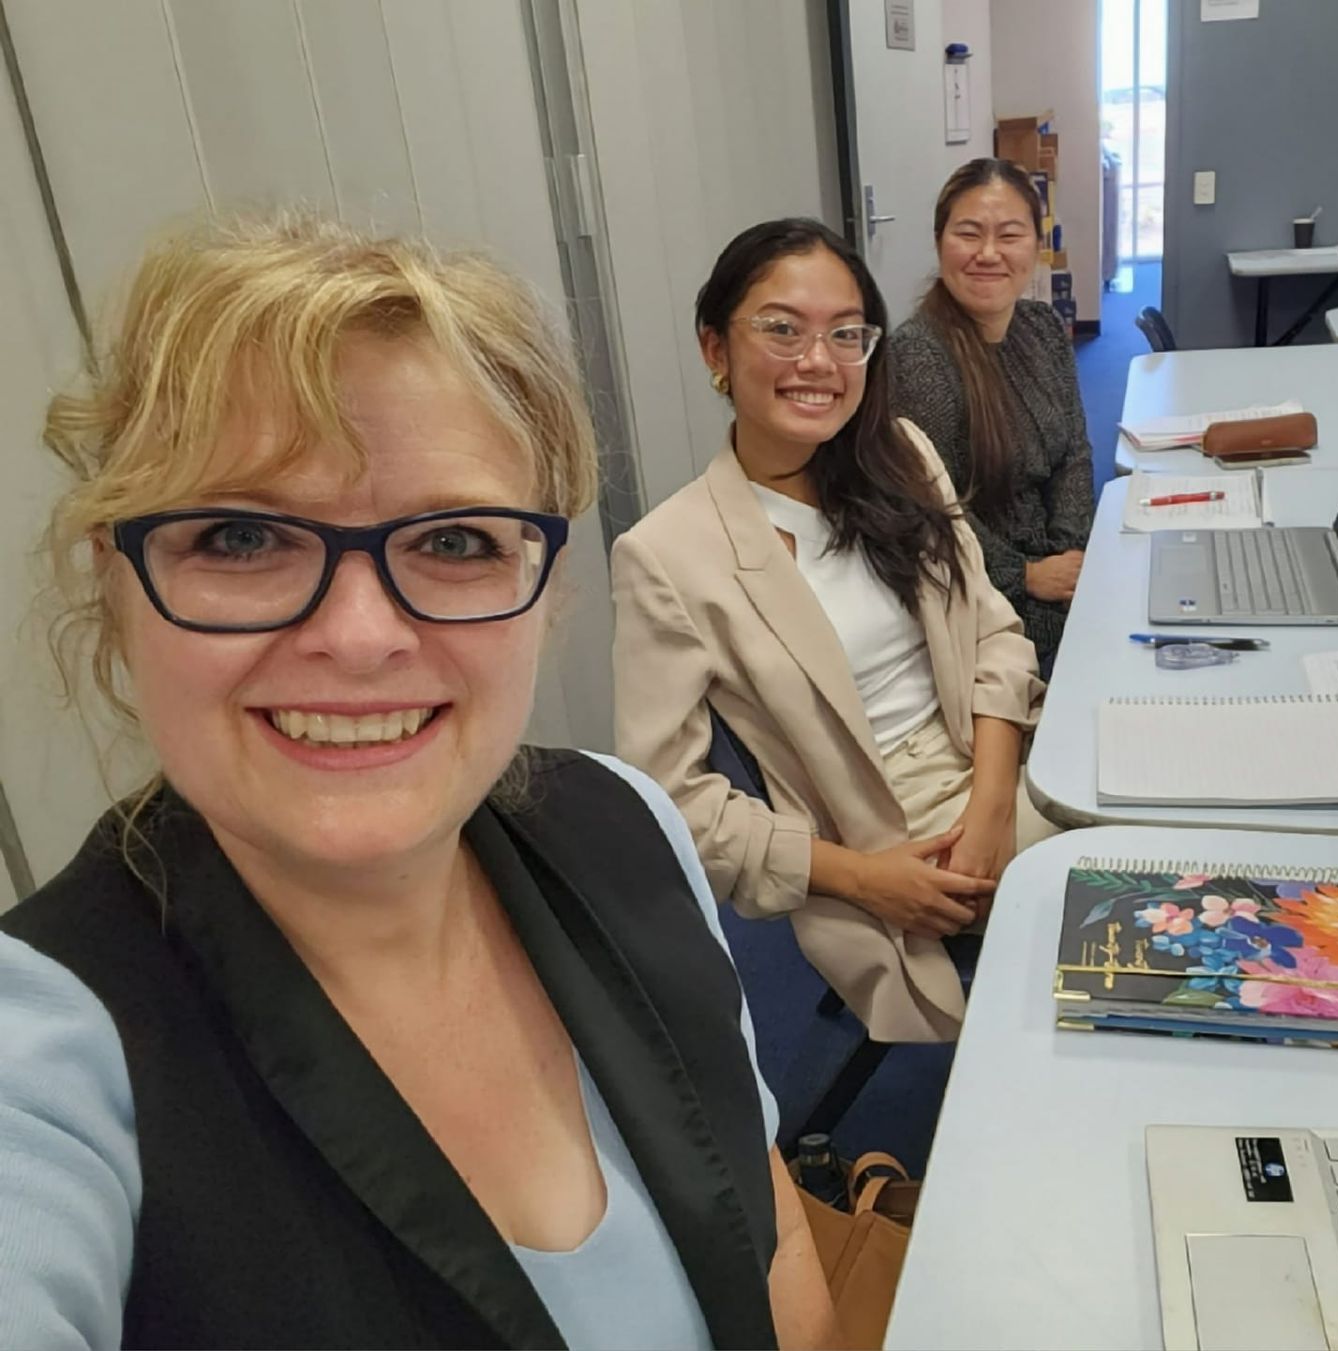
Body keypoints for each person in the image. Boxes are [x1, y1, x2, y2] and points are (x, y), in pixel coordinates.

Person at [0, 215, 836, 1350]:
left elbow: (769, 1234)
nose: (359, 637)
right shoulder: (47, 1061)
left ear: (544, 586)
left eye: (453, 542)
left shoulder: (623, 823)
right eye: (240, 538)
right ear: (117, 581)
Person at [611, 219, 1051, 1046]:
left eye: (846, 334)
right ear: (715, 348)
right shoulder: (667, 555)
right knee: (1144, 884)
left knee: (1181, 818)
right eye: (783, 329)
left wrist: (993, 802)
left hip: (1001, 758)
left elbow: (992, 631)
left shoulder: (901, 454)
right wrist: (863, 878)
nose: (819, 360)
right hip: (890, 830)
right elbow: (671, 800)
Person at [888, 157, 1096, 673]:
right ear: (939, 242)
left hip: (1063, 576)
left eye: (1009, 235)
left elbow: (1074, 453)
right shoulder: (918, 358)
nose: (988, 253)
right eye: (968, 234)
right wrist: (1026, 574)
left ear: (1036, 245)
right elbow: (932, 509)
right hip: (989, 601)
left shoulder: (1042, 327)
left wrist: (1069, 554)